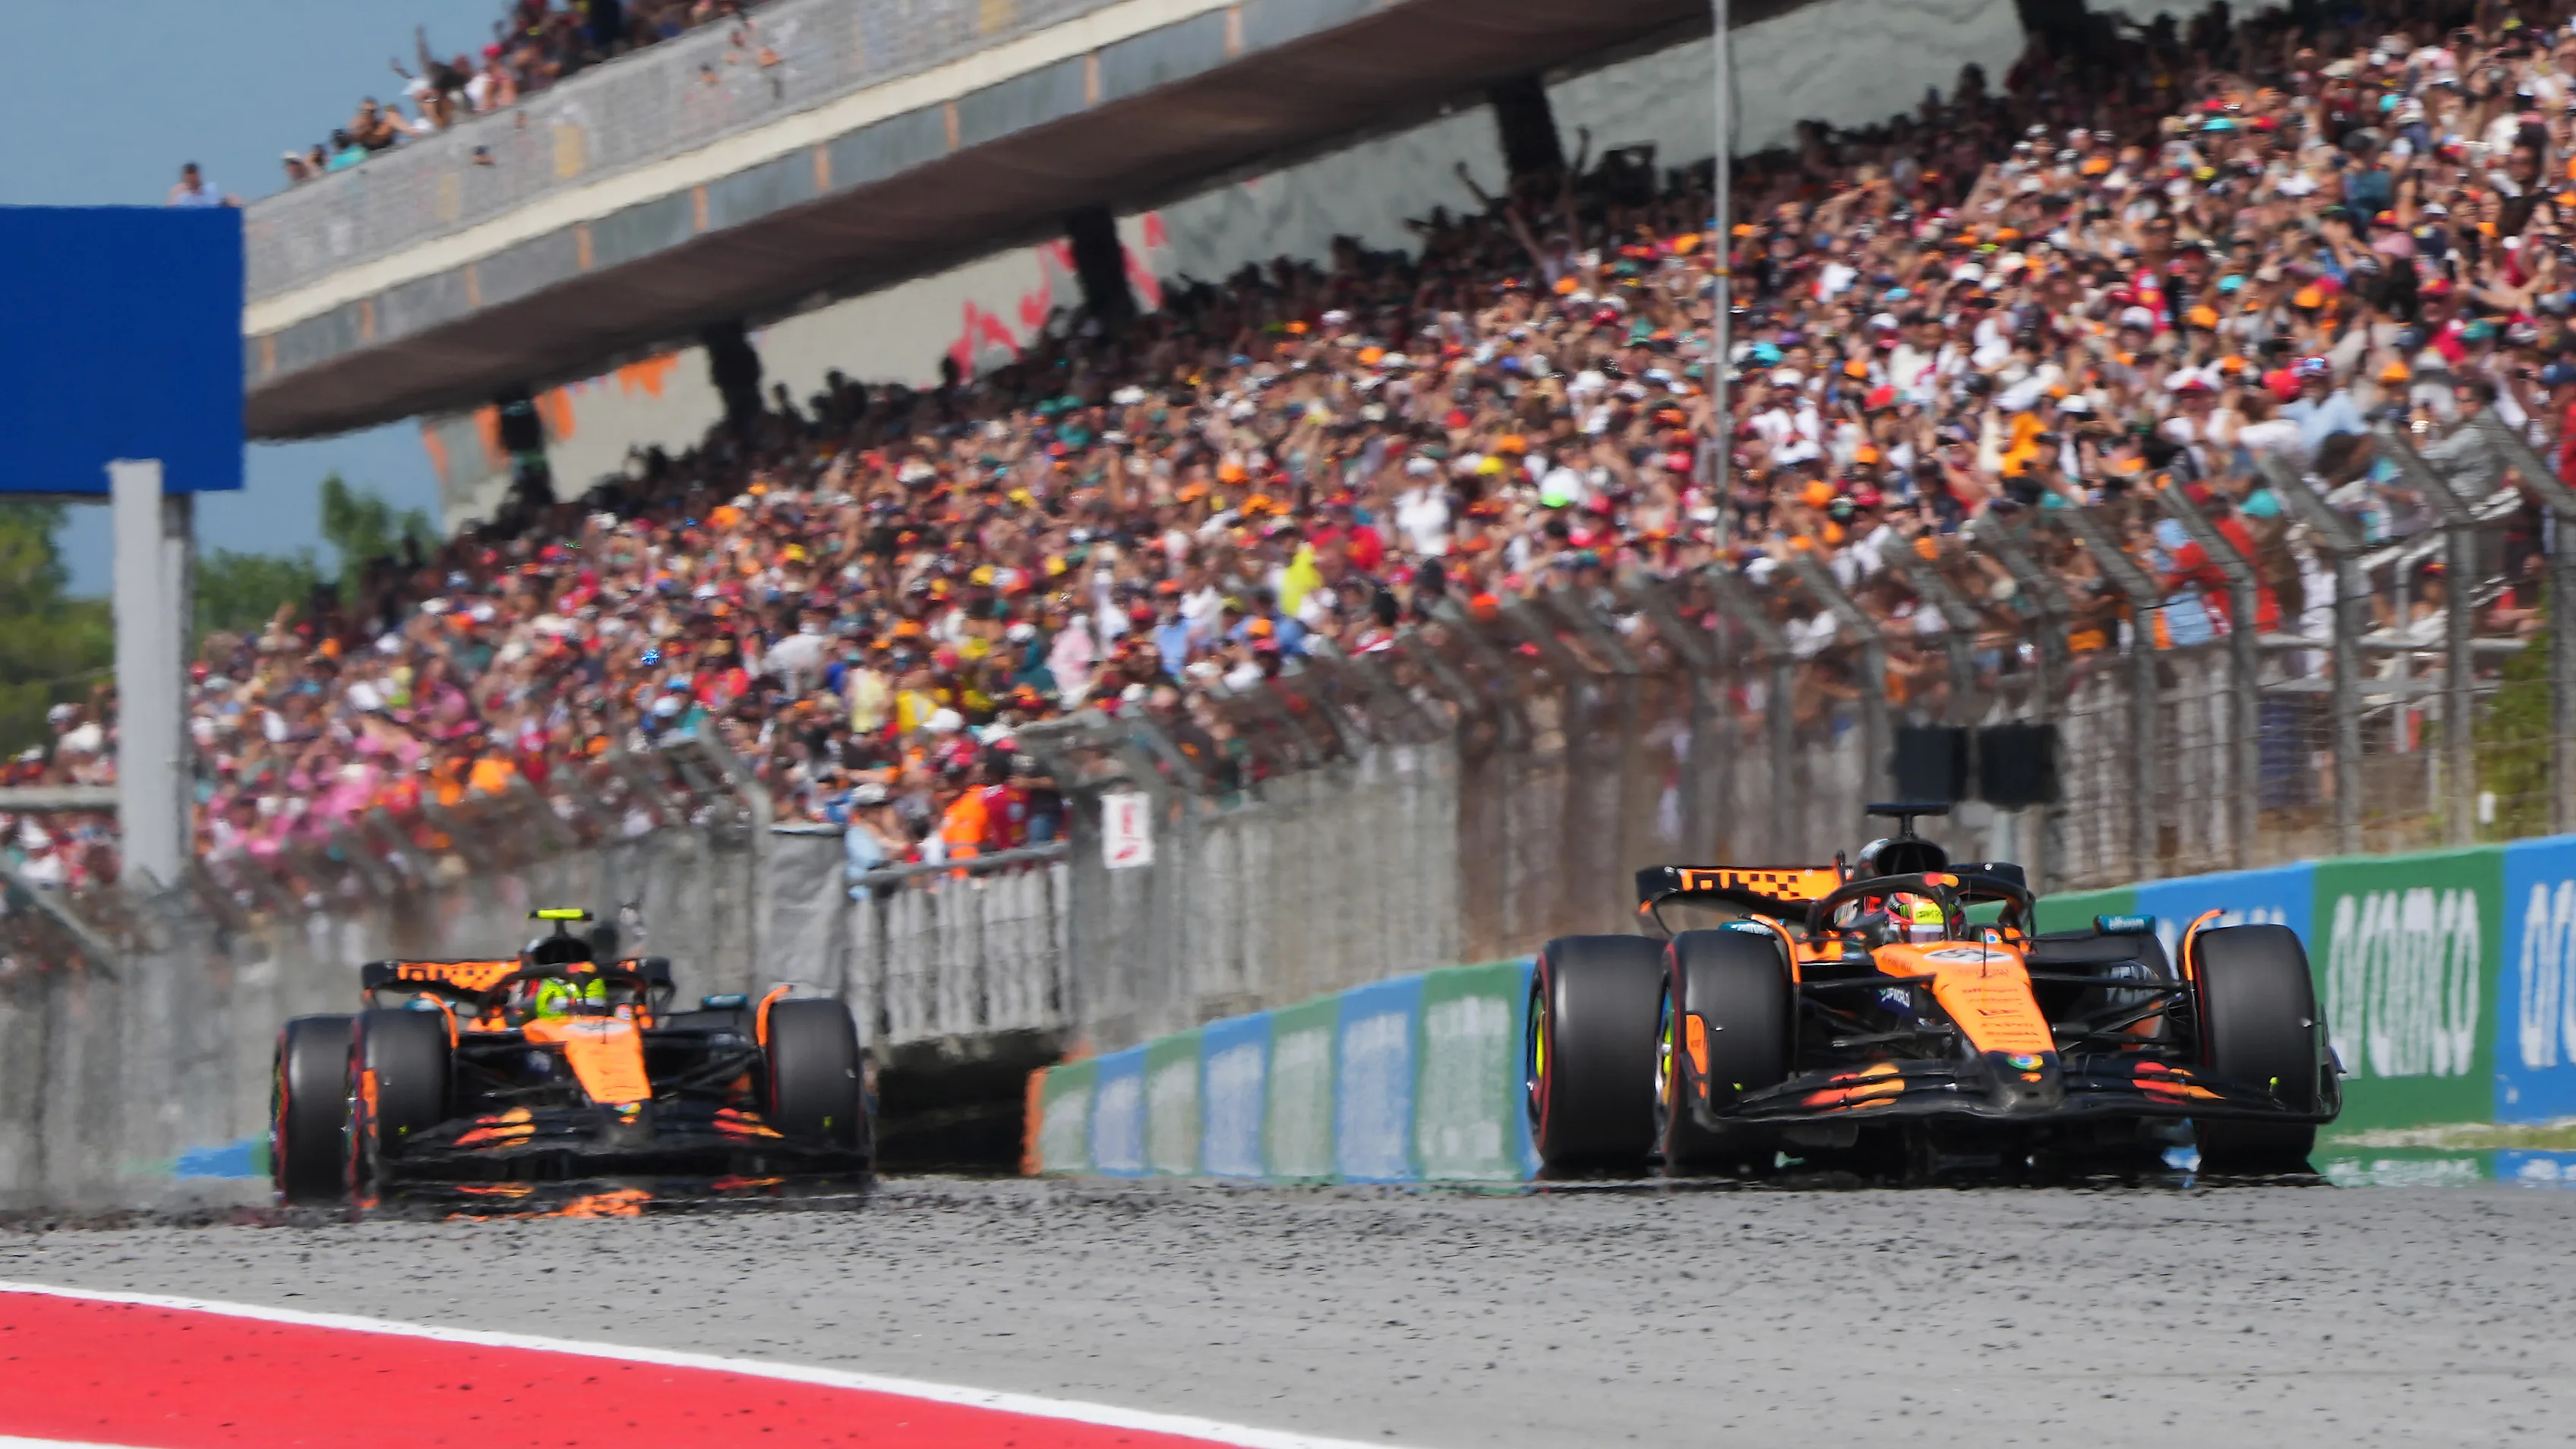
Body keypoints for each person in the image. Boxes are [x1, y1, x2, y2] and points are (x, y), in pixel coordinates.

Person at [166, 163, 235, 208]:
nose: (192, 179)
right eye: (189, 176)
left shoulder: (213, 189)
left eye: (194, 175)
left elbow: (228, 202)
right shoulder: (184, 200)